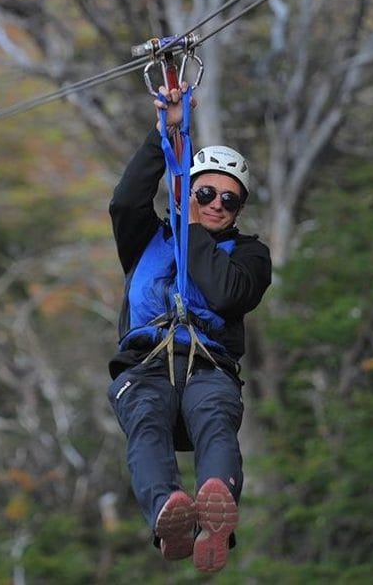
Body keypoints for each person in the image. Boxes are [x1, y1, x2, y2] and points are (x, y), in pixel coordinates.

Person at [106, 82, 272, 572]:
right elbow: (125, 201)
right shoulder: (145, 239)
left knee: (215, 421)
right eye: (206, 192)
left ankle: (216, 509)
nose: (217, 204)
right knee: (146, 423)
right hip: (146, 366)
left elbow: (225, 294)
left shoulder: (250, 256)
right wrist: (165, 134)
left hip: (209, 369)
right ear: (187, 187)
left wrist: (193, 224)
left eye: (229, 200)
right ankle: (168, 513)